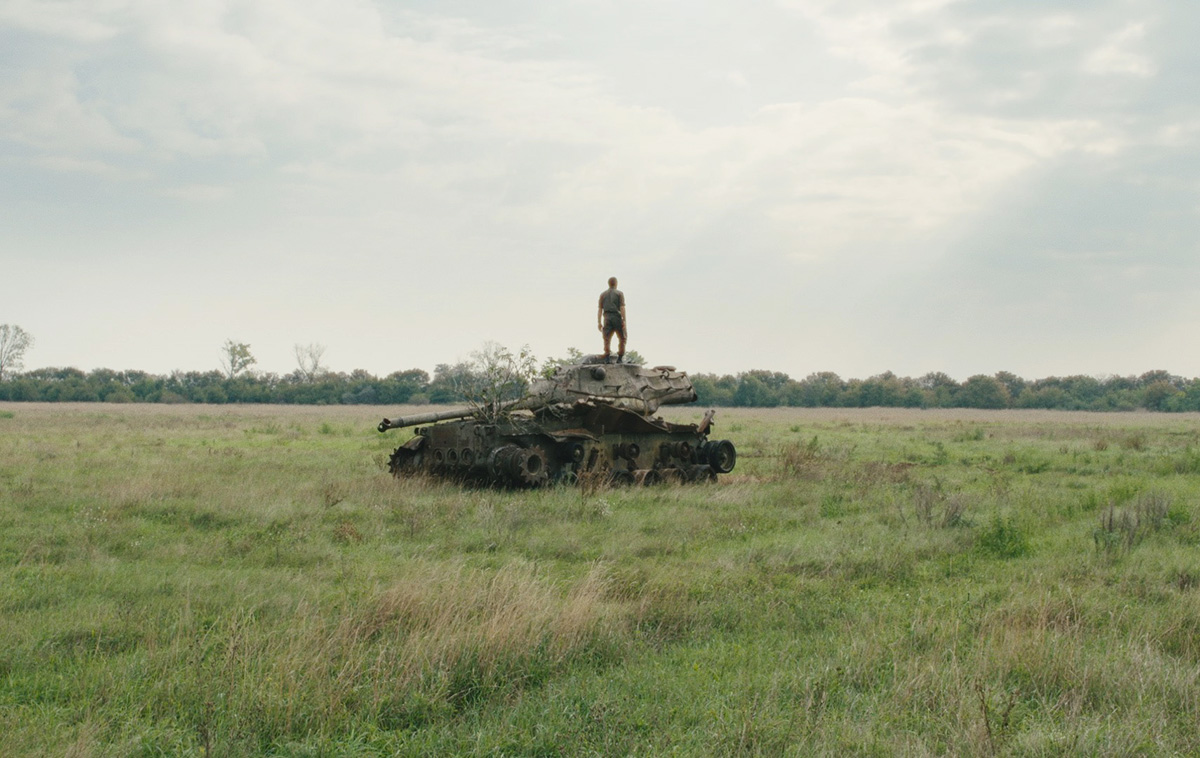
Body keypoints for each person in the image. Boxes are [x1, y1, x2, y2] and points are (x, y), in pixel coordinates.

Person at [597, 277, 626, 363]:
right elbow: (622, 308)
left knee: (606, 338)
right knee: (622, 337)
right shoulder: (619, 293)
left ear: (608, 284)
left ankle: (607, 357)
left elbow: (600, 309)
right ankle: (620, 358)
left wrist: (599, 322)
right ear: (616, 283)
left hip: (607, 317)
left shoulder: (603, 294)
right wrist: (624, 320)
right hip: (617, 316)